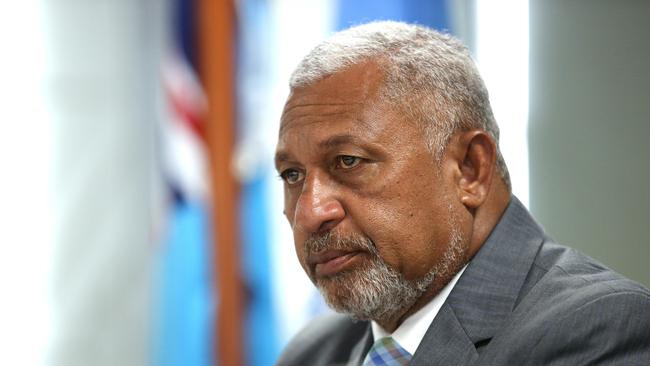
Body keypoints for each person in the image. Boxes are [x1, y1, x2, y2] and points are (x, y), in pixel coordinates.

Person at [273, 21, 650, 365]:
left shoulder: (600, 328)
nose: (309, 212)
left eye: (349, 161)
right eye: (292, 174)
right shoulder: (312, 354)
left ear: (470, 168)